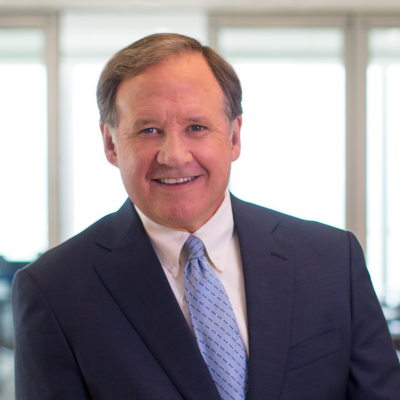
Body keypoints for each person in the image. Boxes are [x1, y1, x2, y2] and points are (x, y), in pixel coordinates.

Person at [12, 33, 400, 400]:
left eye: (196, 127)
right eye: (149, 130)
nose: (174, 155)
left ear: (234, 137)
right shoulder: (53, 290)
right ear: (111, 143)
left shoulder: (333, 260)